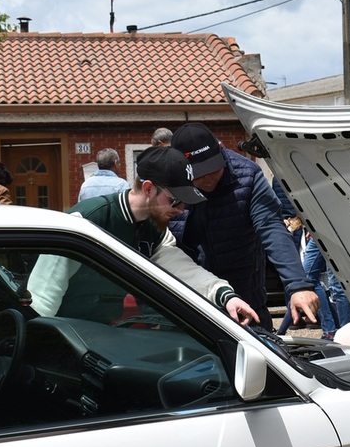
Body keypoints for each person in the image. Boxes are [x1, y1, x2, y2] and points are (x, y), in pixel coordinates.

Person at [27, 146, 259, 326]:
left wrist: (226, 296)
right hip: (65, 334)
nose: (181, 210)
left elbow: (184, 270)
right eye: (175, 200)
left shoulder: (155, 231)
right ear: (148, 188)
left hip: (104, 335)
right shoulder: (84, 222)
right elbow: (42, 298)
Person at [170, 122, 319, 329]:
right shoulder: (168, 183)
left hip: (246, 305)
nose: (207, 178)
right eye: (198, 173)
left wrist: (298, 285)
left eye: (213, 168)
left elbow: (271, 227)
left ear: (221, 148)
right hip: (189, 302)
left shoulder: (247, 176)